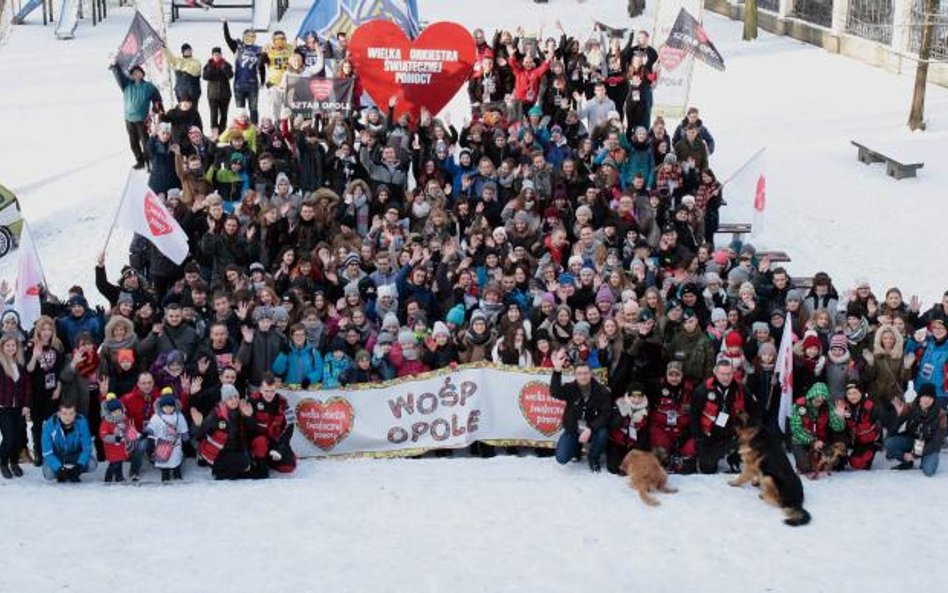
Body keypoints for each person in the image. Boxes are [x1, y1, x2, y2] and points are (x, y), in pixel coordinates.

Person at [549, 350, 614, 472]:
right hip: (573, 429)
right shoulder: (570, 388)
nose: (583, 376)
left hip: (592, 429)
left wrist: (590, 428)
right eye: (579, 373)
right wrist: (557, 370)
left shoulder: (602, 391)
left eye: (585, 373)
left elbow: (606, 415)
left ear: (591, 374)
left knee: (603, 433)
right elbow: (555, 392)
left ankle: (593, 458)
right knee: (561, 458)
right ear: (575, 375)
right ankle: (576, 450)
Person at [690, 359, 754, 474]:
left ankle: (734, 456)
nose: (726, 377)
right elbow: (694, 416)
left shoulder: (741, 389)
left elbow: (754, 411)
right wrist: (699, 439)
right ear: (715, 373)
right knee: (707, 469)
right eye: (722, 374)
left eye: (729, 374)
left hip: (732, 433)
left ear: (733, 373)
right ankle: (716, 453)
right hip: (709, 435)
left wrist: (749, 431)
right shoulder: (702, 390)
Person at [109, 62, 163, 169]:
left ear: (143, 74)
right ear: (131, 76)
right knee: (133, 143)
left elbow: (158, 101)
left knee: (145, 142)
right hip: (129, 119)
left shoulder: (149, 87)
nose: (136, 75)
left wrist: (154, 110)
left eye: (138, 73)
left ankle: (150, 161)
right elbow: (119, 77)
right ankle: (140, 161)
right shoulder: (127, 85)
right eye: (134, 73)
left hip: (142, 120)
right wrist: (115, 67)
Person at [885, 383, 946, 476]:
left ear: (934, 399)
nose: (927, 400)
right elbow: (896, 425)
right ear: (919, 397)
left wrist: (915, 455)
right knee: (889, 443)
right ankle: (906, 462)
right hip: (912, 440)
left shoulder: (941, 416)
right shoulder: (910, 407)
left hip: (929, 445)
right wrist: (890, 445)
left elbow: (936, 442)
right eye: (924, 396)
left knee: (928, 470)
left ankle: (924, 460)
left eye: (930, 397)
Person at [789, 382, 846, 473]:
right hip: (801, 440)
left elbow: (838, 428)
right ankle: (804, 460)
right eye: (817, 397)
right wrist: (813, 441)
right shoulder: (799, 406)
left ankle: (817, 459)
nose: (820, 401)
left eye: (822, 398)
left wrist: (840, 418)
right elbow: (796, 429)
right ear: (811, 395)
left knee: (833, 464)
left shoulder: (828, 407)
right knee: (806, 468)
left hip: (821, 442)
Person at [247, 373, 296, 477]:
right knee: (260, 442)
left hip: (275, 441)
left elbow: (290, 426)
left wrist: (281, 448)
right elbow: (246, 428)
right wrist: (248, 417)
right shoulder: (252, 401)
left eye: (272, 391)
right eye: (266, 391)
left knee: (288, 467)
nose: (269, 394)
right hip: (258, 440)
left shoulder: (283, 402)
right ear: (260, 389)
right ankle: (260, 462)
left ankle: (270, 459)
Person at [42, 399, 97, 482]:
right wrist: (59, 469)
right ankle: (62, 474)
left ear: (75, 414)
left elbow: (87, 448)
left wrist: (79, 466)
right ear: (59, 414)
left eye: (71, 413)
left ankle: (74, 473)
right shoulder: (49, 425)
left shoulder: (82, 422)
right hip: (57, 456)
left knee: (92, 464)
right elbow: (47, 452)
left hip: (75, 455)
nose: (68, 417)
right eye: (64, 413)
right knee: (49, 473)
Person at [0, 335, 31, 478]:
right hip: (3, 407)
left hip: (18, 406)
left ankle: (14, 462)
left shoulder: (20, 364)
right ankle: (3, 462)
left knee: (18, 437)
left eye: (13, 345)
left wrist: (26, 405)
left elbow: (27, 386)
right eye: (7, 345)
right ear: (2, 347)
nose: (11, 348)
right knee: (9, 437)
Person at [146, 391, 189, 481]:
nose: (168, 409)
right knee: (163, 460)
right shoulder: (157, 417)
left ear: (174, 406)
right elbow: (152, 425)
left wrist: (184, 434)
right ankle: (165, 474)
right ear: (161, 407)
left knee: (176, 458)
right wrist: (150, 431)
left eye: (170, 407)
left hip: (175, 443)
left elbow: (182, 425)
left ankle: (177, 473)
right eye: (165, 407)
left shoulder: (178, 416)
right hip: (162, 444)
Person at [203, 46, 234, 131]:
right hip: (212, 95)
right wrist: (211, 68)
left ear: (221, 55)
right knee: (214, 114)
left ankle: (222, 130)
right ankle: (214, 132)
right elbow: (205, 77)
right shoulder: (208, 65)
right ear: (212, 55)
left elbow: (230, 75)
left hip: (225, 94)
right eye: (215, 54)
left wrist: (224, 68)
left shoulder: (226, 64)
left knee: (224, 114)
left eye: (218, 54)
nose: (216, 56)